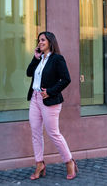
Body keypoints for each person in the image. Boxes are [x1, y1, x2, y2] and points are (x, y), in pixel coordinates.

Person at [26, 31, 78, 180]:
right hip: (35, 99)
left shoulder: (57, 59)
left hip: (49, 101)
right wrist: (35, 58)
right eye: (38, 40)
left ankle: (69, 162)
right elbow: (29, 73)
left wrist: (50, 91)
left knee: (53, 133)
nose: (40, 42)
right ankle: (39, 164)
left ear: (50, 42)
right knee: (35, 133)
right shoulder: (39, 58)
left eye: (43, 40)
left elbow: (66, 79)